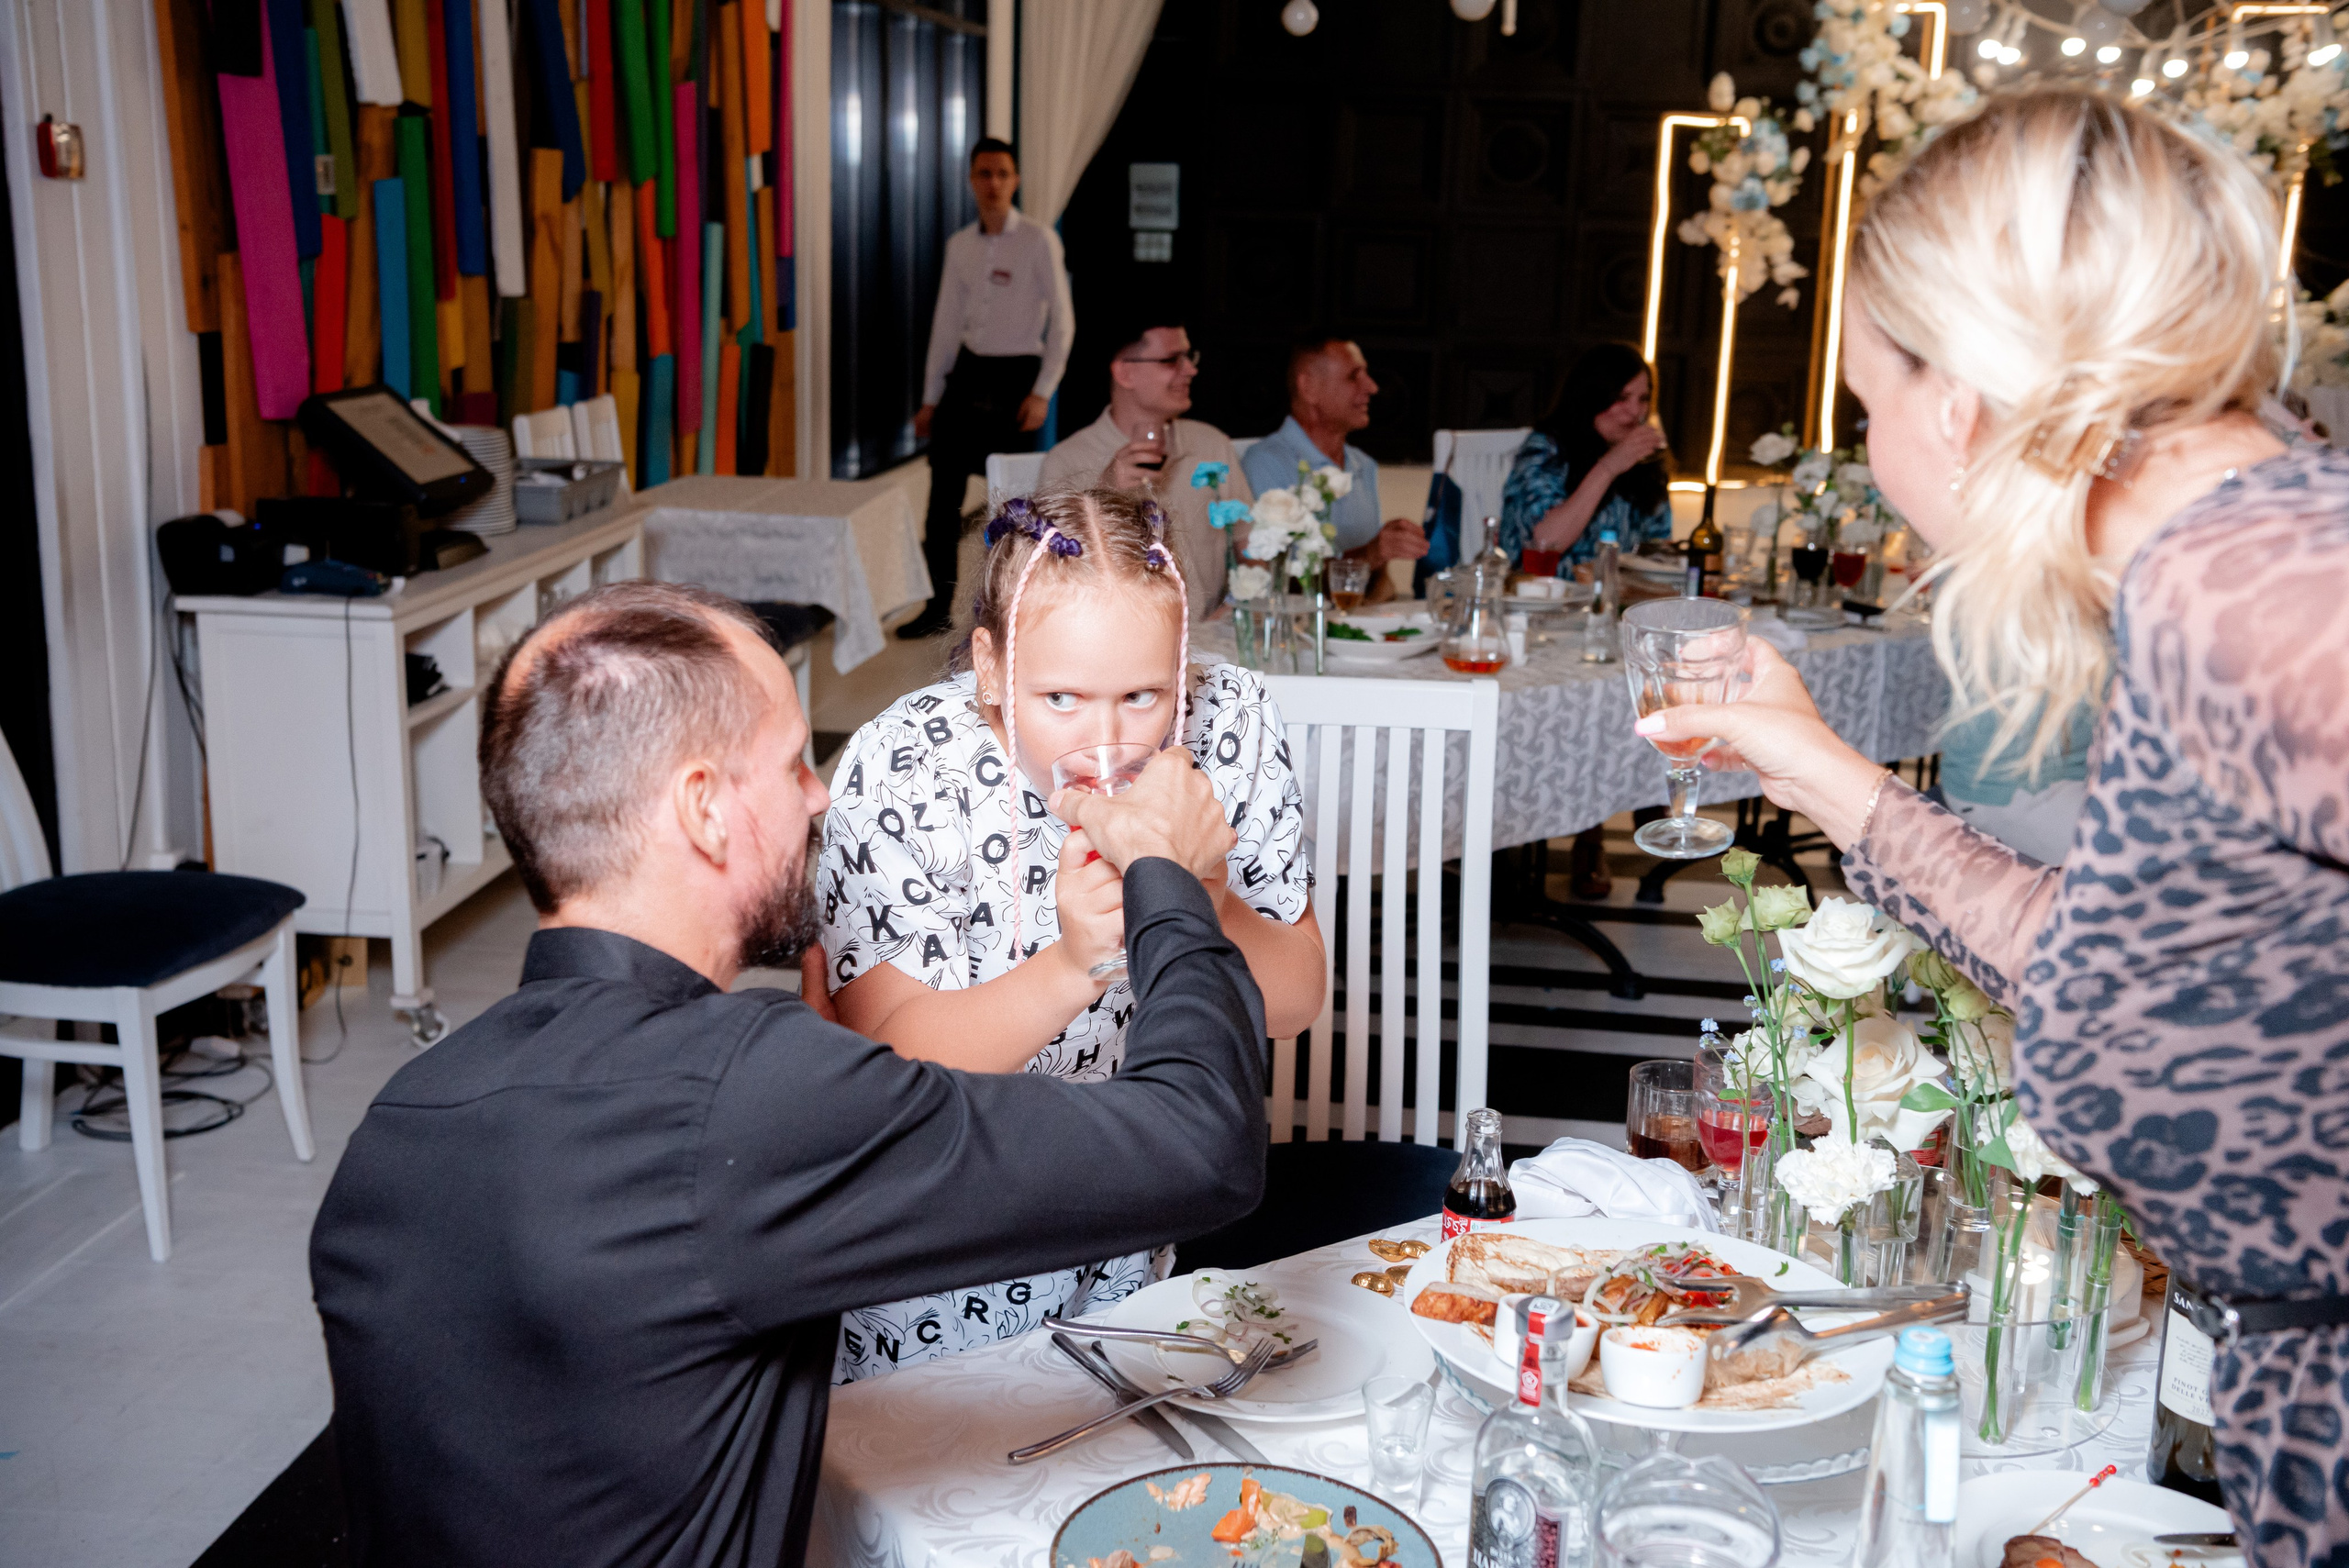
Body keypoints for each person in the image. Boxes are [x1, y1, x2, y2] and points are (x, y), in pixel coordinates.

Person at [1634, 91, 2349, 1566]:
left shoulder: (2251, 588)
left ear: (1956, 399)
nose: (1875, 445)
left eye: (1867, 404)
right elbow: (2100, 955)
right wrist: (1806, 757)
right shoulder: (2217, 567)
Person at [309, 580, 1269, 1567]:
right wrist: (1164, 872)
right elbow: (1202, 1143)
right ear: (704, 811)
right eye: (791, 761)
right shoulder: (749, 1092)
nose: (819, 793)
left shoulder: (394, 1126)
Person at [815, 487, 1325, 1382]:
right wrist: (1070, 963)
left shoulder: (1229, 723)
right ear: (987, 663)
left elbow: (1294, 997)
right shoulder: (902, 765)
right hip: (938, 1230)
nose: (1107, 741)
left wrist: (1201, 892)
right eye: (1059, 697)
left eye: (1142, 694)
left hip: (1137, 1220)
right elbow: (881, 1054)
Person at [901, 138, 1075, 639]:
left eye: (1002, 173)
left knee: (1013, 501)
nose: (993, 183)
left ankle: (1010, 608)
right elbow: (944, 324)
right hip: (969, 373)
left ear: (1015, 180)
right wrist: (931, 398)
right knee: (941, 503)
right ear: (972, 181)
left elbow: (1064, 324)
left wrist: (1043, 390)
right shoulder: (960, 245)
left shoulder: (1039, 240)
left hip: (1018, 376)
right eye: (984, 174)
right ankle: (936, 605)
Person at [1038, 317, 1250, 621]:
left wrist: (1231, 615)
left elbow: (1253, 546)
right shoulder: (1068, 460)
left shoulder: (1210, 444)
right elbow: (1053, 579)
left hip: (1212, 637)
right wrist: (1106, 492)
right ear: (1125, 372)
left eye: (1189, 357)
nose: (1190, 370)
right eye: (1171, 360)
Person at [1241, 336, 1429, 601]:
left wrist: (1385, 553)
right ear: (1309, 388)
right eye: (1354, 377)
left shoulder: (1364, 465)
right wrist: (1372, 554)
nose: (1372, 387)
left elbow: (1376, 583)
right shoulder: (1264, 463)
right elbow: (1275, 584)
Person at [1498, 342, 1675, 573]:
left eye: (1643, 399)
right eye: (1622, 398)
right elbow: (1547, 542)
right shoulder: (1545, 449)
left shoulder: (1642, 461)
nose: (1635, 412)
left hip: (1617, 598)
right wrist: (1609, 467)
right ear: (1591, 398)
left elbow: (1659, 546)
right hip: (1543, 596)